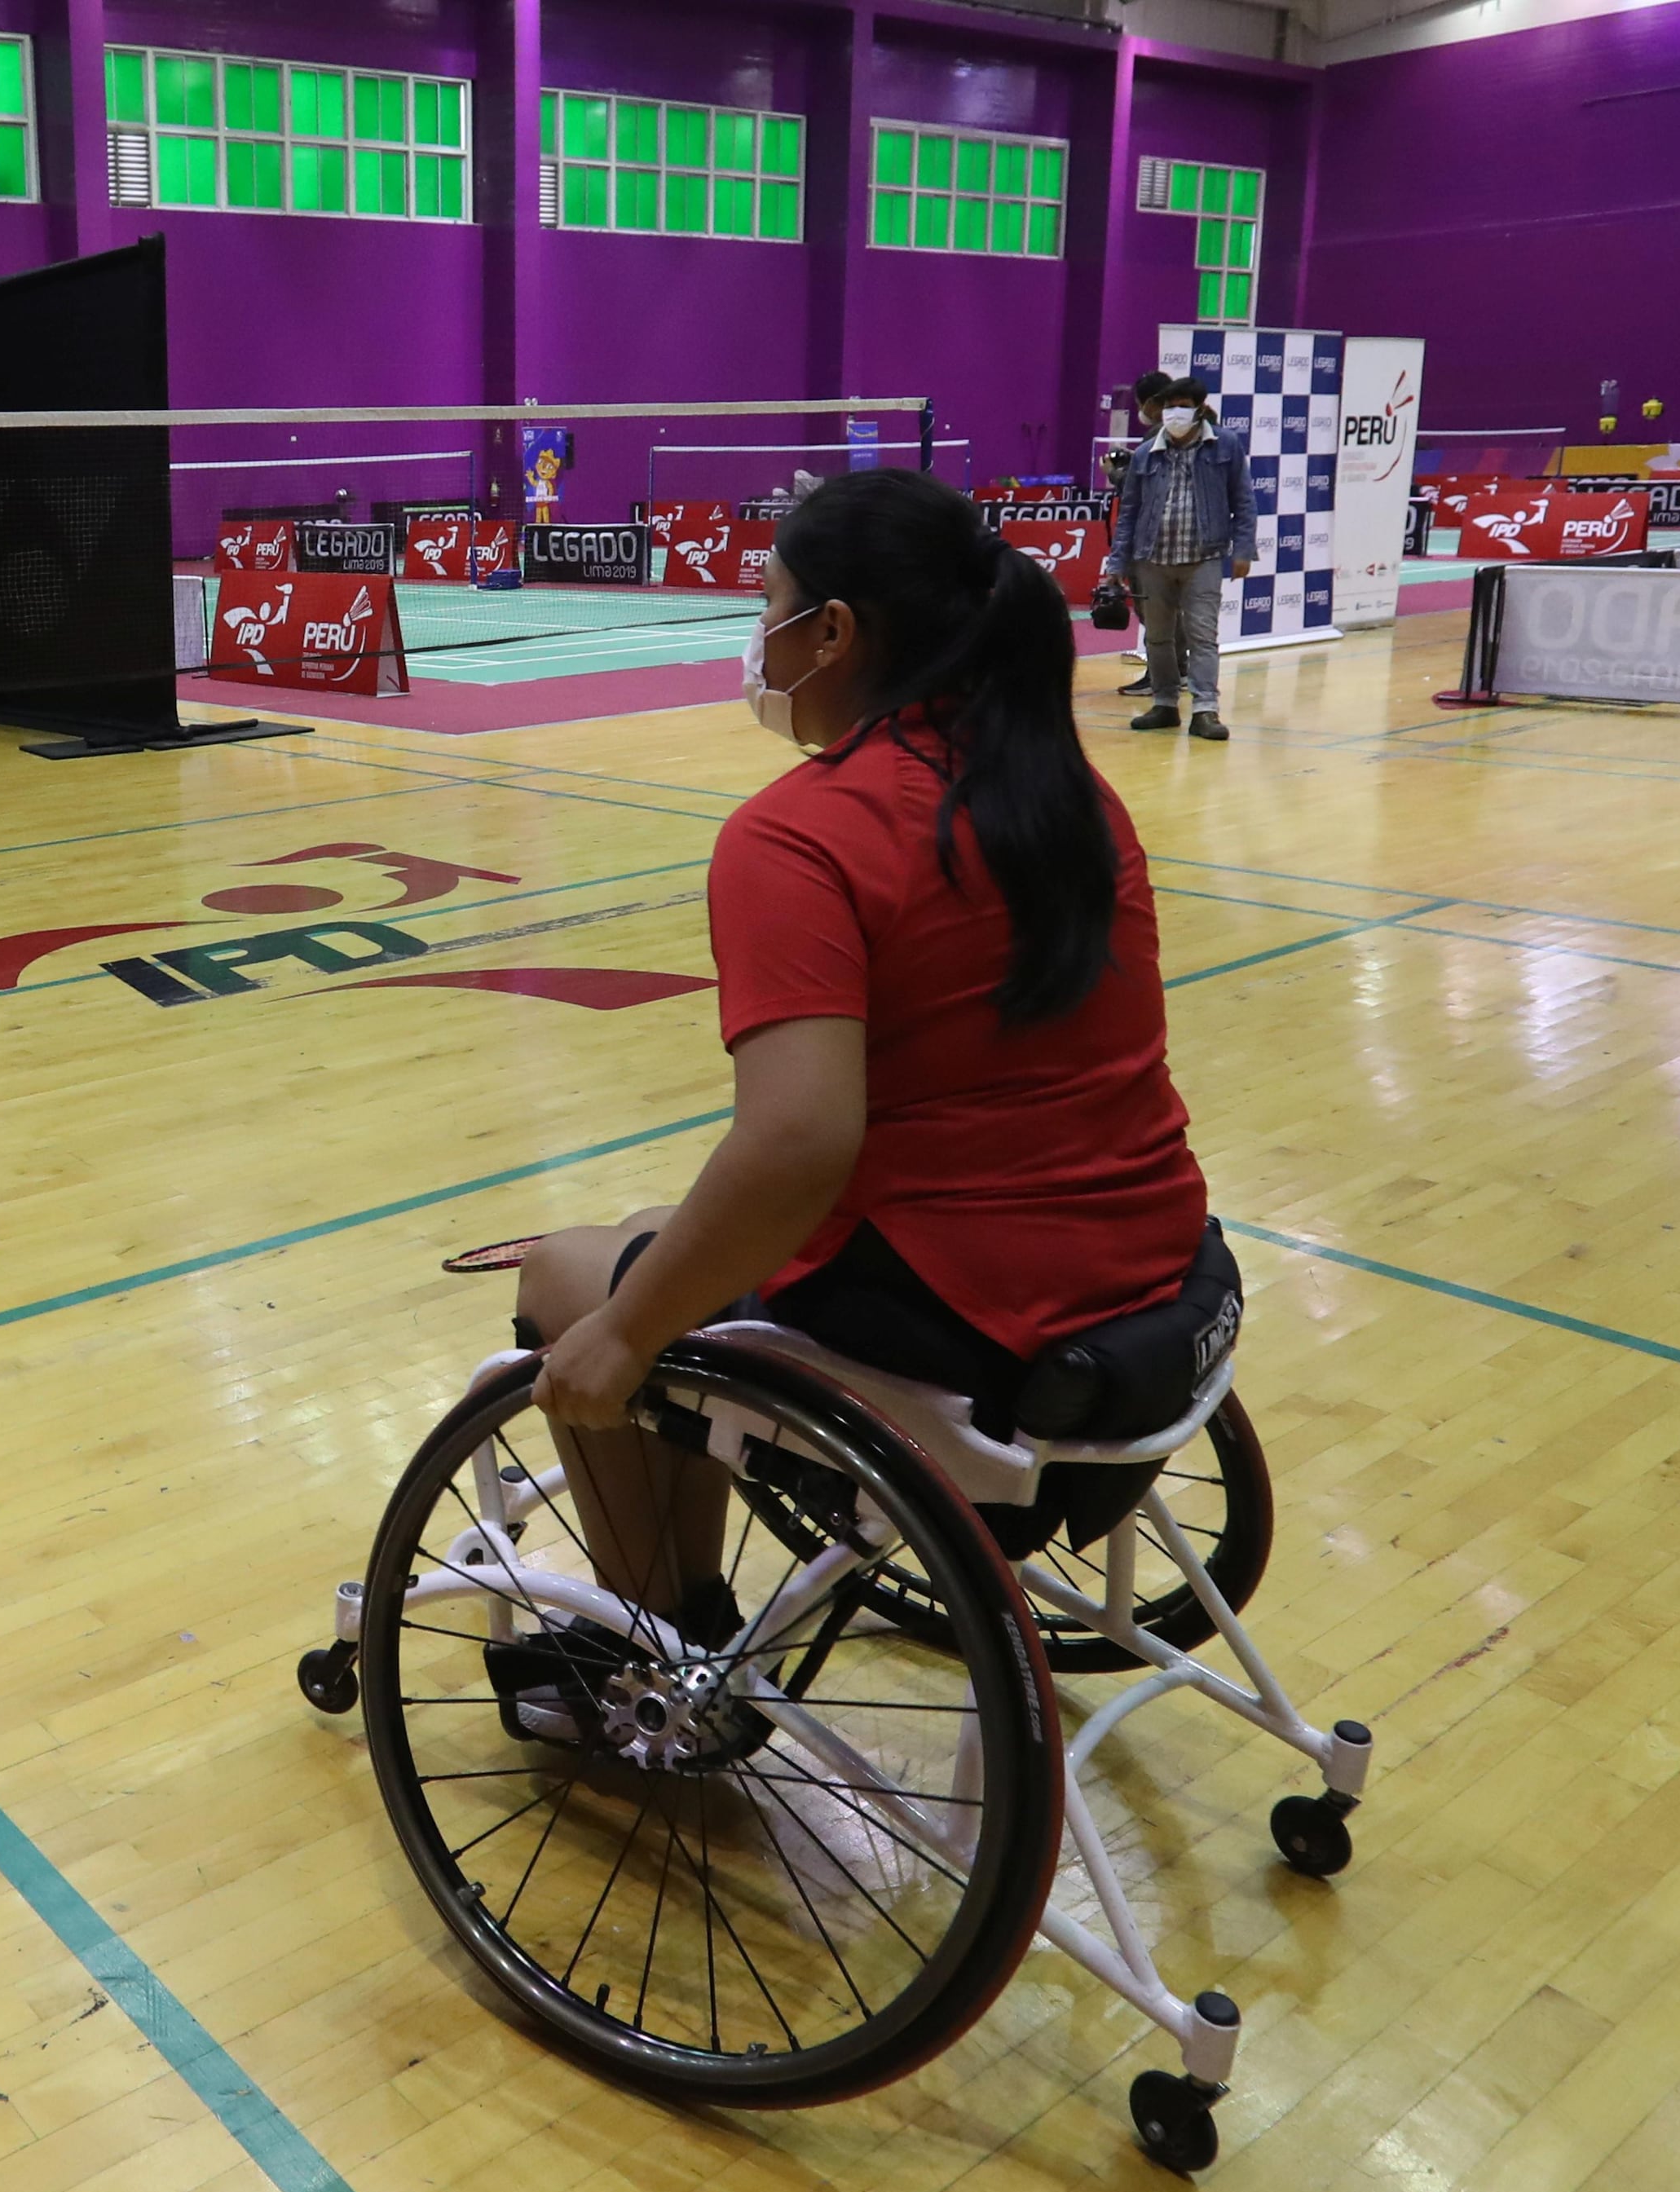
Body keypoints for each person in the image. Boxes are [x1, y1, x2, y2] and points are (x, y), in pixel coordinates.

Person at [505, 467, 1210, 1657]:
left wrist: (622, 1334)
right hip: (1157, 1271)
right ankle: (684, 1589)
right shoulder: (1069, 795)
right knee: (650, 1231)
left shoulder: (801, 832)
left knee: (567, 1278)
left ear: (831, 630)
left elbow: (798, 1141)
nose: (758, 639)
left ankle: (653, 1645)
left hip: (980, 1331)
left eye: (768, 605)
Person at [1101, 377, 1250, 742]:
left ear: (1199, 408)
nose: (1174, 413)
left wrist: (1244, 548)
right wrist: (1116, 565)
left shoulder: (1226, 445)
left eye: (1182, 406)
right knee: (1157, 637)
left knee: (1202, 636)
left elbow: (1244, 500)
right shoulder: (1145, 451)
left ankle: (1205, 710)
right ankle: (1165, 703)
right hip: (1151, 558)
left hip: (1204, 556)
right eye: (1169, 407)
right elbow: (1130, 511)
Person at [1103, 369, 1175, 697]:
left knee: (1153, 611)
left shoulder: (1157, 437)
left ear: (1150, 403)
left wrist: (1115, 474)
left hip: (1151, 541)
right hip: (1176, 541)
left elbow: (1140, 493)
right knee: (1174, 613)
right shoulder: (1180, 434)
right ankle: (1178, 673)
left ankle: (1158, 678)